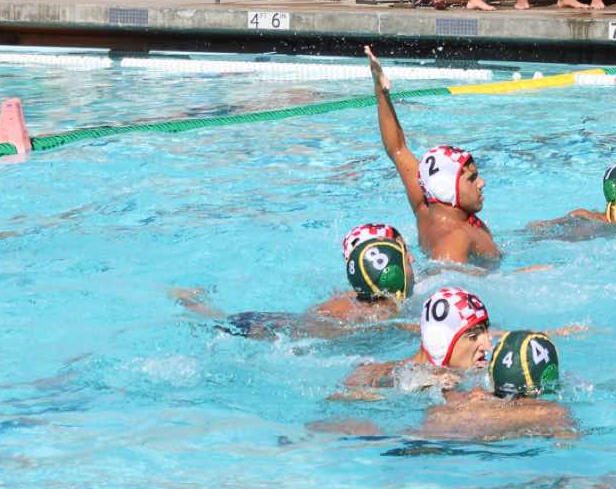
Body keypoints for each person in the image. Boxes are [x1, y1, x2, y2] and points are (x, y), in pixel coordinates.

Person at [366, 47, 500, 264]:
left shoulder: (425, 209)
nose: (481, 183)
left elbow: (397, 148)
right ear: (447, 188)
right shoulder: (455, 238)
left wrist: (381, 91)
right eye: (472, 178)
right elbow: (446, 277)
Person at [175, 222, 417, 339]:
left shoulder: (363, 294)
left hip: (284, 322)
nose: (413, 260)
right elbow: (384, 325)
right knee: (216, 323)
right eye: (406, 256)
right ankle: (190, 302)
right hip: (278, 327)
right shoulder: (380, 309)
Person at [420, 329, 575, 441]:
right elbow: (566, 443)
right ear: (548, 374)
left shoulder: (468, 397)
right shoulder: (550, 412)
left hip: (431, 438)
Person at [337, 288, 493, 399]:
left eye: (486, 331)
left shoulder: (481, 371)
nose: (487, 346)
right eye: (474, 336)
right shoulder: (398, 376)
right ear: (439, 341)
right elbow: (347, 388)